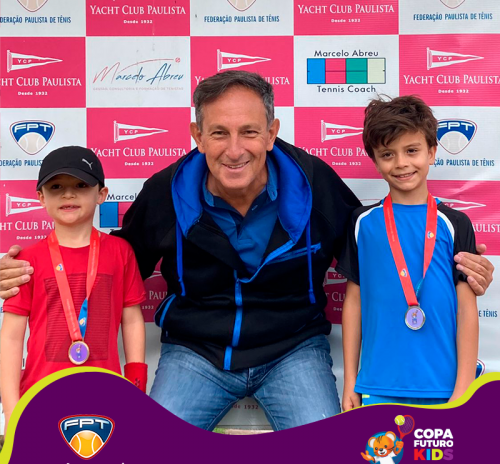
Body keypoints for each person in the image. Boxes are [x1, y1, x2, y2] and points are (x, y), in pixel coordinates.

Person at [0, 73, 494, 431]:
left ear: (272, 132)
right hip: (195, 353)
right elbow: (111, 261)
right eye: (219, 132)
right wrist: (28, 269)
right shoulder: (167, 191)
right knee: (148, 456)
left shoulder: (313, 183)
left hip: (293, 351)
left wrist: (461, 269)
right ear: (197, 136)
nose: (234, 149)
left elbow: (380, 251)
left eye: (250, 132)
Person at [339, 96, 479, 410]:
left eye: (412, 150)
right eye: (388, 154)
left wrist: (463, 389)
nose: (401, 163)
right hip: (377, 384)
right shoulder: (362, 223)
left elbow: (466, 308)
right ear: (375, 161)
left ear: (432, 152)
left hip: (444, 386)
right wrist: (350, 380)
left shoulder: (455, 223)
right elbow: (354, 301)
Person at [0, 147, 147, 434]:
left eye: (81, 185)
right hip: (40, 397)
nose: (68, 194)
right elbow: (11, 337)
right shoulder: (25, 261)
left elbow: (131, 320)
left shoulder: (120, 252)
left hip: (107, 398)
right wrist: (12, 409)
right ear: (41, 197)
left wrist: (136, 387)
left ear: (101, 194)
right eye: (56, 187)